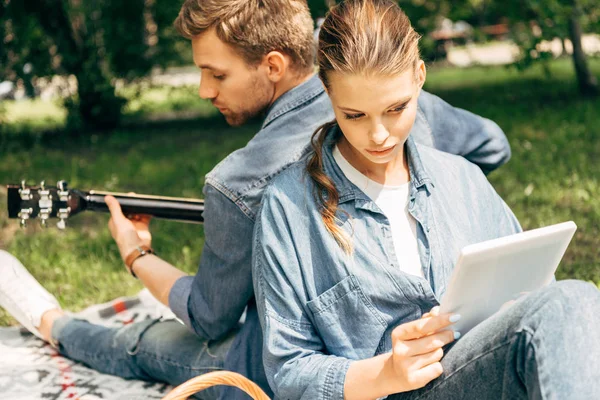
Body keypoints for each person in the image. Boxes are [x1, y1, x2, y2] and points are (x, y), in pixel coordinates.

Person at [0, 1, 512, 399]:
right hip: (357, 364)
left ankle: (51, 320)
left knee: (143, 344)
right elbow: (493, 143)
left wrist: (138, 255)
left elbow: (209, 319)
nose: (203, 89)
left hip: (287, 362)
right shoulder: (400, 99)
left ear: (272, 64)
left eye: (216, 73)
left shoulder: (239, 181)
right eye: (352, 116)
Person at [251, 1, 600, 399]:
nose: (379, 135)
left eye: (396, 108)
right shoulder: (288, 207)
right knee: (570, 302)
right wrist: (386, 373)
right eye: (354, 115)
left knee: (570, 302)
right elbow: (288, 372)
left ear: (420, 76)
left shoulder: (461, 179)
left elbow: (543, 308)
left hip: (482, 378)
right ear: (327, 93)